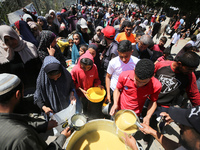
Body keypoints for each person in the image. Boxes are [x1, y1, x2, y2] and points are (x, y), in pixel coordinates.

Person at [0, 73, 71, 149]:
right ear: (17, 94)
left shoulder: (10, 118)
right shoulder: (22, 137)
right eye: (23, 93)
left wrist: (44, 126)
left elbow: (24, 122)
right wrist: (62, 137)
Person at [109, 59, 162, 125]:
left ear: (152, 76)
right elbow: (117, 89)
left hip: (135, 114)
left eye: (144, 82)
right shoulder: (124, 75)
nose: (139, 84)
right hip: (119, 110)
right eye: (137, 80)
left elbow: (153, 101)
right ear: (134, 70)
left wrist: (148, 116)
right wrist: (115, 104)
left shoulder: (156, 85)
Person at [125, 105, 200, 150]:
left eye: (184, 125)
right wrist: (152, 131)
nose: (180, 126)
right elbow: (177, 148)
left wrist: (134, 148)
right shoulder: (191, 145)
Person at [153, 51, 200, 118]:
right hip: (150, 100)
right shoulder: (161, 65)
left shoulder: (190, 76)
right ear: (180, 64)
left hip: (164, 106)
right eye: (189, 69)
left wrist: (199, 109)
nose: (190, 72)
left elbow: (193, 94)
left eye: (193, 70)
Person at [34, 56, 81, 120]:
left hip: (66, 107)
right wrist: (44, 108)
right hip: (52, 112)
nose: (56, 79)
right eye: (52, 78)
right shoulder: (42, 81)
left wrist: (72, 95)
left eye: (58, 76)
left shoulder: (66, 75)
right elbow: (38, 97)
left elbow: (71, 85)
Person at [106, 40, 139, 111]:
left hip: (128, 93)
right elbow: (108, 77)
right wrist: (108, 94)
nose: (124, 59)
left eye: (126, 56)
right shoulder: (113, 62)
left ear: (131, 52)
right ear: (118, 52)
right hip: (114, 90)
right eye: (121, 56)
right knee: (113, 110)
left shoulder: (137, 63)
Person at [71, 51, 103, 119]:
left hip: (91, 93)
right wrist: (81, 90)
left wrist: (98, 85)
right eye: (84, 67)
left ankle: (90, 116)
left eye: (88, 67)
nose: (86, 69)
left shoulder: (94, 67)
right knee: (82, 105)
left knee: (91, 106)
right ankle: (84, 117)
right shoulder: (75, 69)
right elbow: (72, 82)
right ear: (80, 63)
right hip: (80, 93)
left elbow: (96, 79)